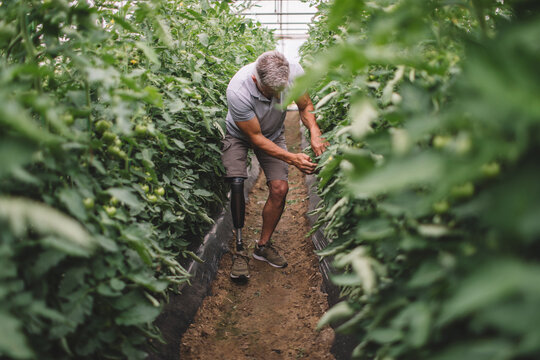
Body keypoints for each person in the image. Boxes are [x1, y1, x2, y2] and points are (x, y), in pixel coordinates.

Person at [222, 50, 328, 280]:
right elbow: (256, 138)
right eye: (269, 93)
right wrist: (292, 158)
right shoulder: (238, 90)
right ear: (255, 80)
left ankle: (263, 246)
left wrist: (315, 131)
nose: (275, 97)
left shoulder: (294, 73)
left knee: (280, 189)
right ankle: (239, 250)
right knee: (238, 182)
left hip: (272, 132)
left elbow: (304, 105)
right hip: (240, 134)